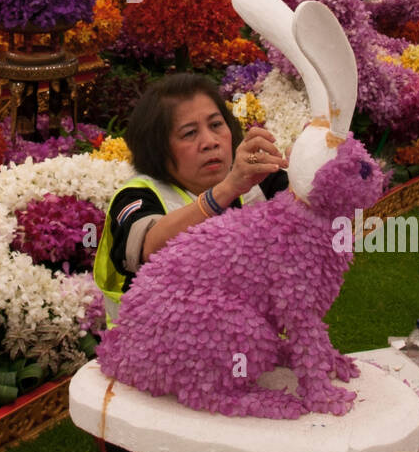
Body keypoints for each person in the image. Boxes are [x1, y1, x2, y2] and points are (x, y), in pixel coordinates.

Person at [94, 73, 289, 312]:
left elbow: (312, 220)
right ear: (158, 150)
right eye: (189, 133)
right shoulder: (136, 196)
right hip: (158, 344)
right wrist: (225, 191)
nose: (210, 141)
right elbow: (149, 249)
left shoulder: (257, 179)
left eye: (216, 125)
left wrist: (308, 163)